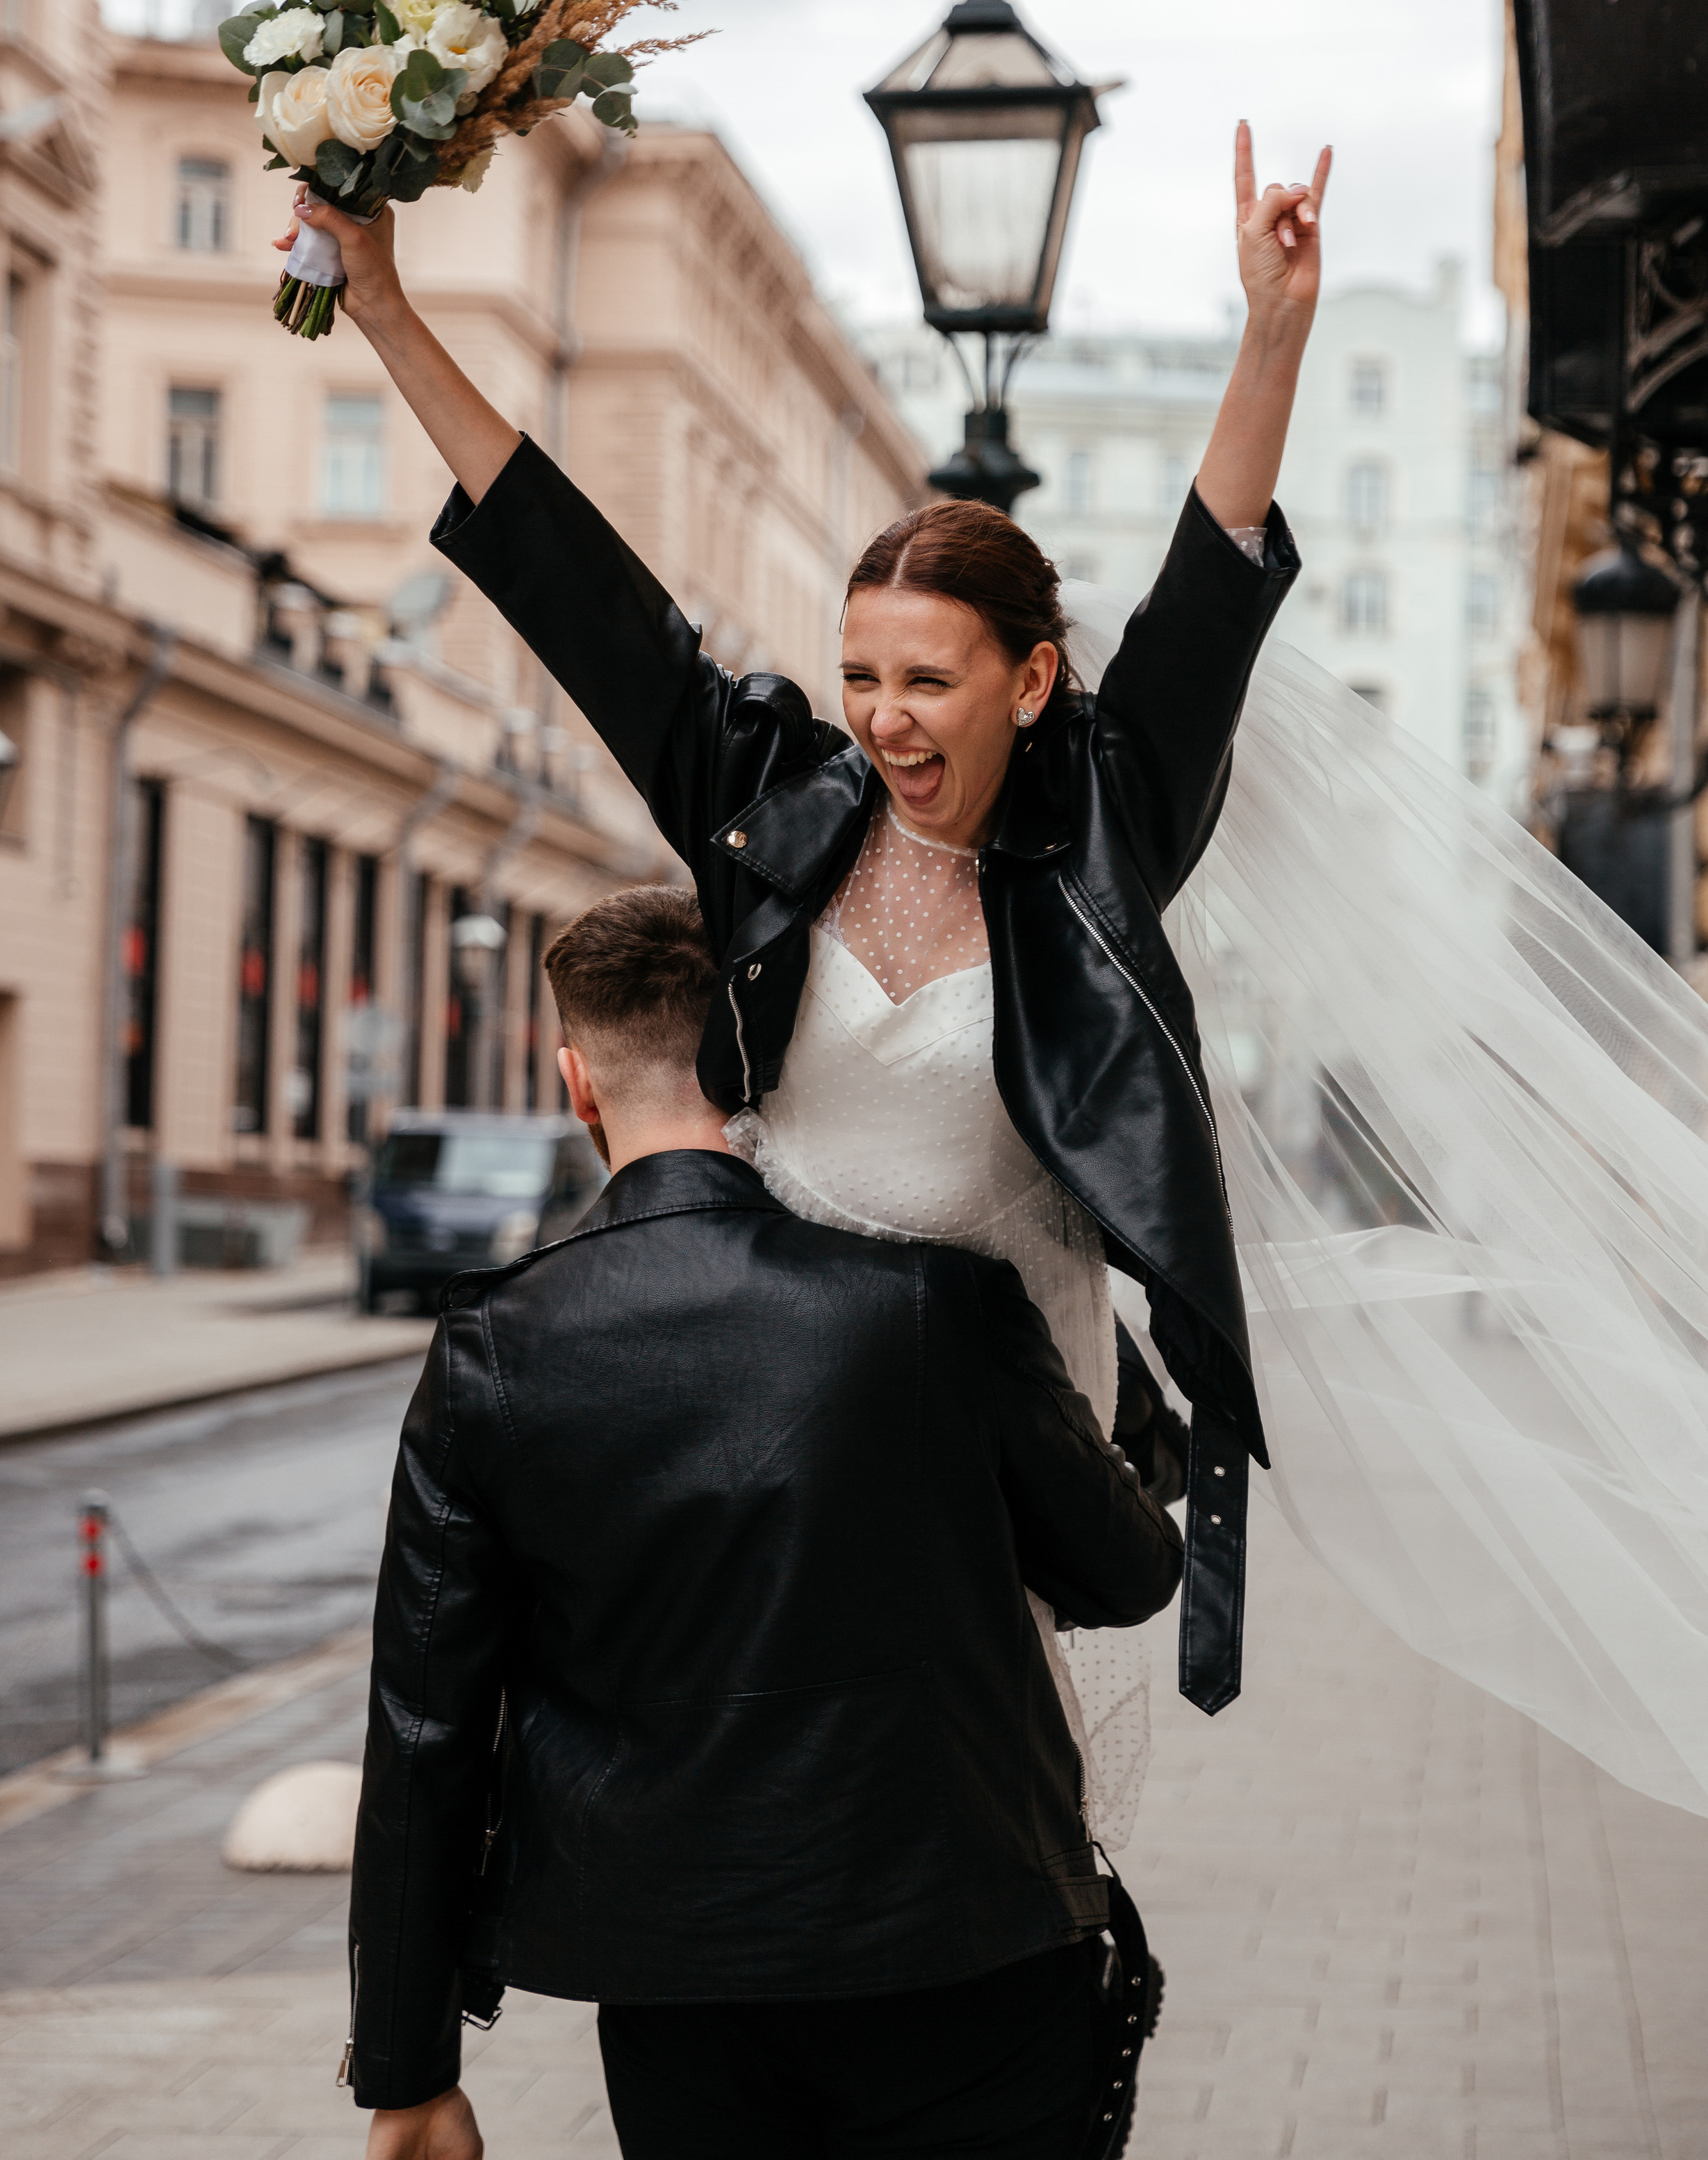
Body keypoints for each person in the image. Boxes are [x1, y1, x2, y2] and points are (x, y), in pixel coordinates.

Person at [288, 126, 1330, 1814]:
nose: (884, 720)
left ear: (1028, 682)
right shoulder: (767, 806)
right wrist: (388, 307)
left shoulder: (1104, 834)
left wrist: (1270, 328)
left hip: (998, 1420)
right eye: (860, 677)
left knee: (981, 1809)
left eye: (927, 680)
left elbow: (1207, 593)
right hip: (774, 1393)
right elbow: (578, 588)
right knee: (780, 1791)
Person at [347, 883, 1183, 2160]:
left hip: (684, 1991)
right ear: (772, 1053)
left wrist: (407, 2070)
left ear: (576, 1084)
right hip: (970, 1951)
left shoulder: (494, 1352)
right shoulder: (935, 1301)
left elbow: (425, 1730)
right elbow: (1127, 1573)